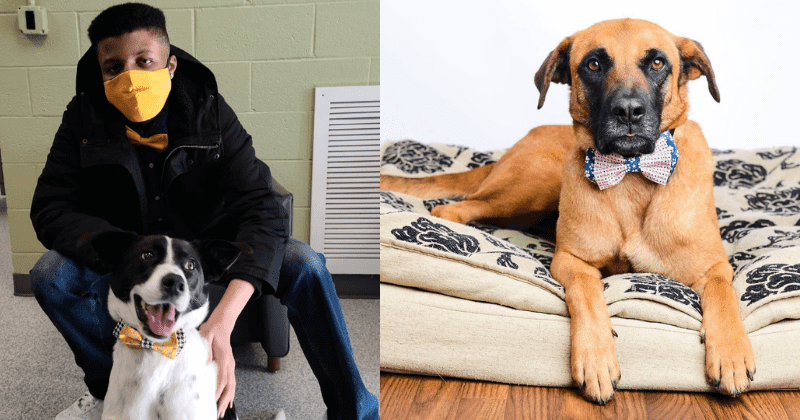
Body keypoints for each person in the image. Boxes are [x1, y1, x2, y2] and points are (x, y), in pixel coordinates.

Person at [28, 3, 379, 420]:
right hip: (135, 257)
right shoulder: (81, 120)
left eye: (144, 62)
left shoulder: (209, 110)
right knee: (50, 275)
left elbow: (263, 206)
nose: (129, 77)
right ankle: (111, 388)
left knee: (306, 263)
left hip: (212, 246)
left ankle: (355, 411)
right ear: (101, 74)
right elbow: (50, 205)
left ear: (170, 65)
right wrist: (117, 246)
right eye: (113, 68)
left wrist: (224, 319)